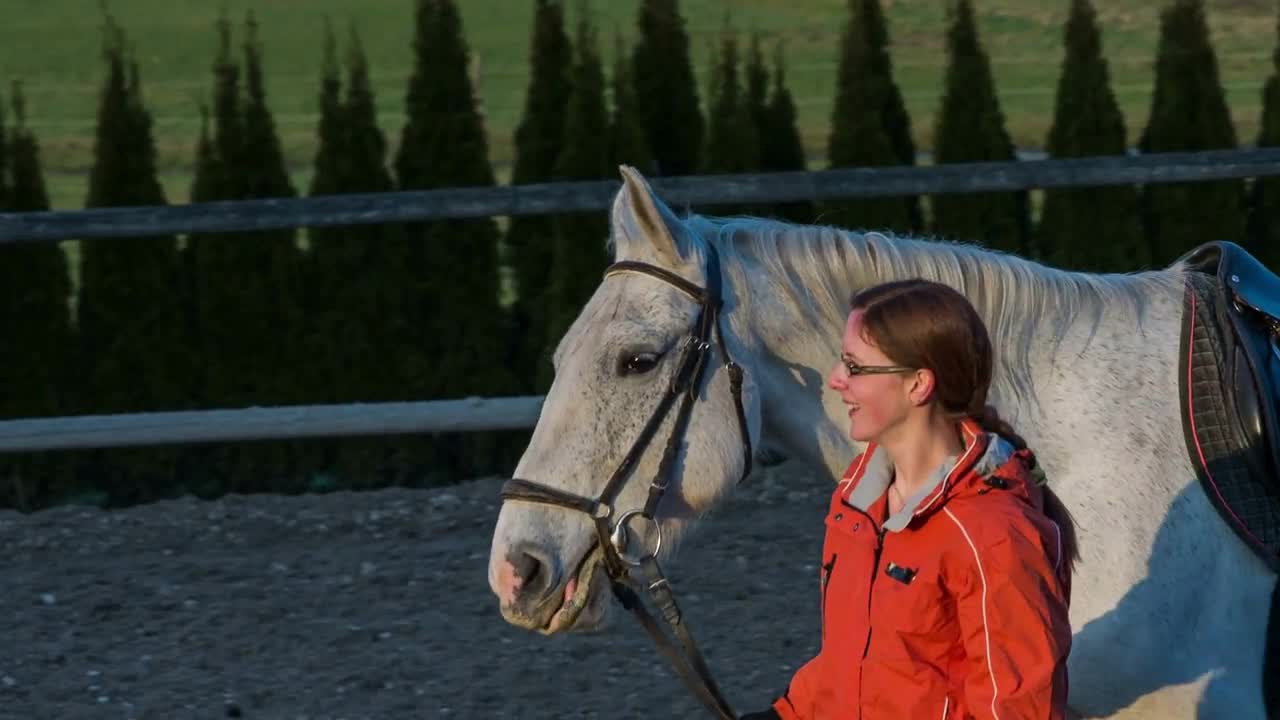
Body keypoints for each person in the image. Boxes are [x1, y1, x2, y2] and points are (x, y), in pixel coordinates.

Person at [743, 278, 1076, 720]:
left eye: (855, 367)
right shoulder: (856, 502)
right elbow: (854, 661)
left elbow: (1017, 709)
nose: (837, 380)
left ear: (918, 385)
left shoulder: (993, 534)